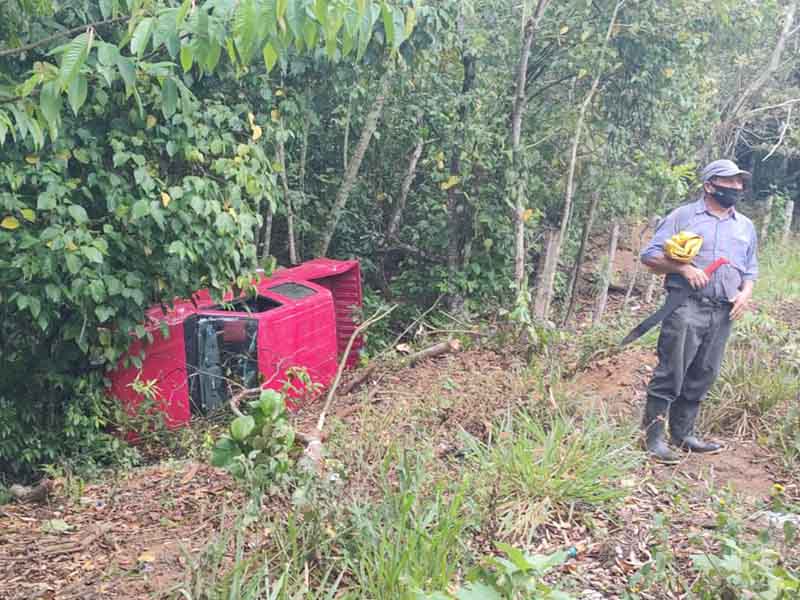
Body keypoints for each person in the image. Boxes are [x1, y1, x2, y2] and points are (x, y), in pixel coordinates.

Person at [639, 159, 758, 463]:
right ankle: (652, 438)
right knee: (672, 371)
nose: (735, 188)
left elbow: (750, 269)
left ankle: (684, 434)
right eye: (728, 182)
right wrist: (684, 267)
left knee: (703, 373)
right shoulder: (684, 216)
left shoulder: (745, 226)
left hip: (724, 311)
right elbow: (650, 255)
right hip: (687, 305)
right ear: (709, 186)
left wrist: (745, 293)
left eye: (739, 183)